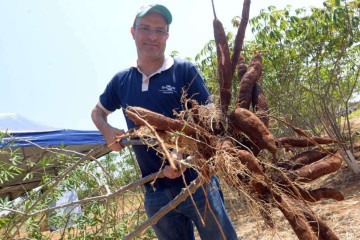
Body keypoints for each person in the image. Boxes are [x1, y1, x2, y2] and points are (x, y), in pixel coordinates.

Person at [91, 4, 238, 240]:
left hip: (198, 183)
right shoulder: (121, 81)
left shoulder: (184, 71)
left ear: (167, 36)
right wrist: (108, 131)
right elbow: (97, 113)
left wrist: (182, 153)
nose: (152, 36)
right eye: (146, 28)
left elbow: (210, 121)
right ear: (133, 32)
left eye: (160, 30)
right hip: (155, 193)